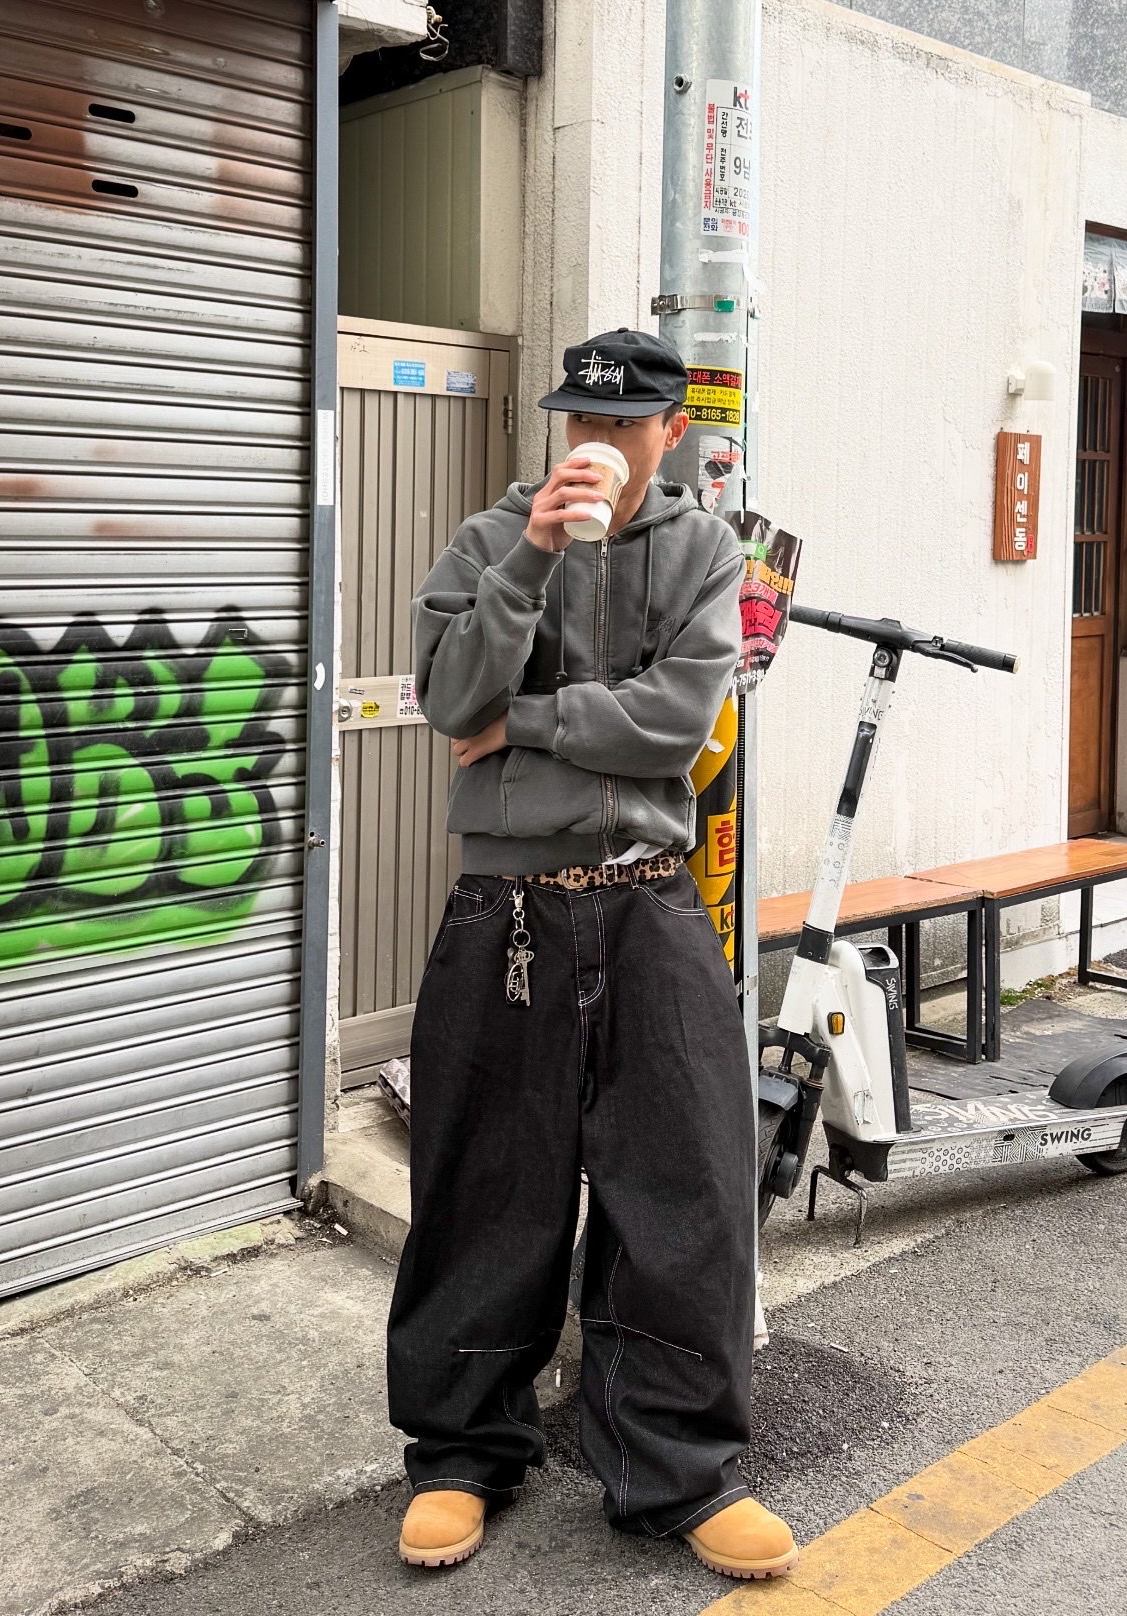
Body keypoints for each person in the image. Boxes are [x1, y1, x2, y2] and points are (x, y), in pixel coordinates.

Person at [387, 328, 797, 1582]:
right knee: (485, 1187)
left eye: (621, 427)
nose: (594, 447)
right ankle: (463, 1454)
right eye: (577, 421)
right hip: (505, 910)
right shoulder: (488, 539)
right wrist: (536, 555)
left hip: (651, 900)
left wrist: (529, 722)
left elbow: (678, 725)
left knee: (682, 1190)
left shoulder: (705, 550)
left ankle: (678, 1470)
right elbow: (451, 699)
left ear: (672, 433)